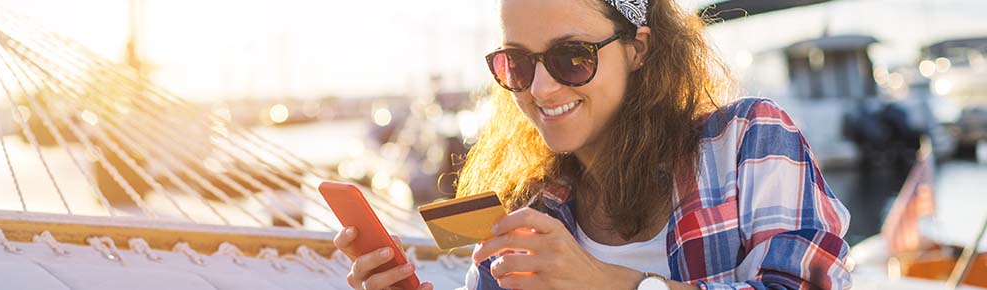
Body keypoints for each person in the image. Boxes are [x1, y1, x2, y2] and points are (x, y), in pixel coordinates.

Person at [334, 0, 852, 289]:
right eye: (517, 63)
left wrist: (609, 284)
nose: (539, 89)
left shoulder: (749, 142)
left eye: (572, 57)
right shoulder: (528, 208)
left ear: (638, 49)